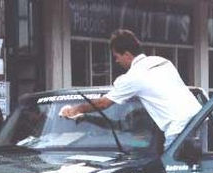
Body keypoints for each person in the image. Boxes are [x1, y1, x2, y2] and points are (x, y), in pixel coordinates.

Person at [59, 29, 201, 151]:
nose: (116, 61)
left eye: (117, 56)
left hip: (178, 130)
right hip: (199, 118)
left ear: (127, 54)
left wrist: (76, 110)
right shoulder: (162, 61)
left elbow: (104, 104)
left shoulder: (133, 77)